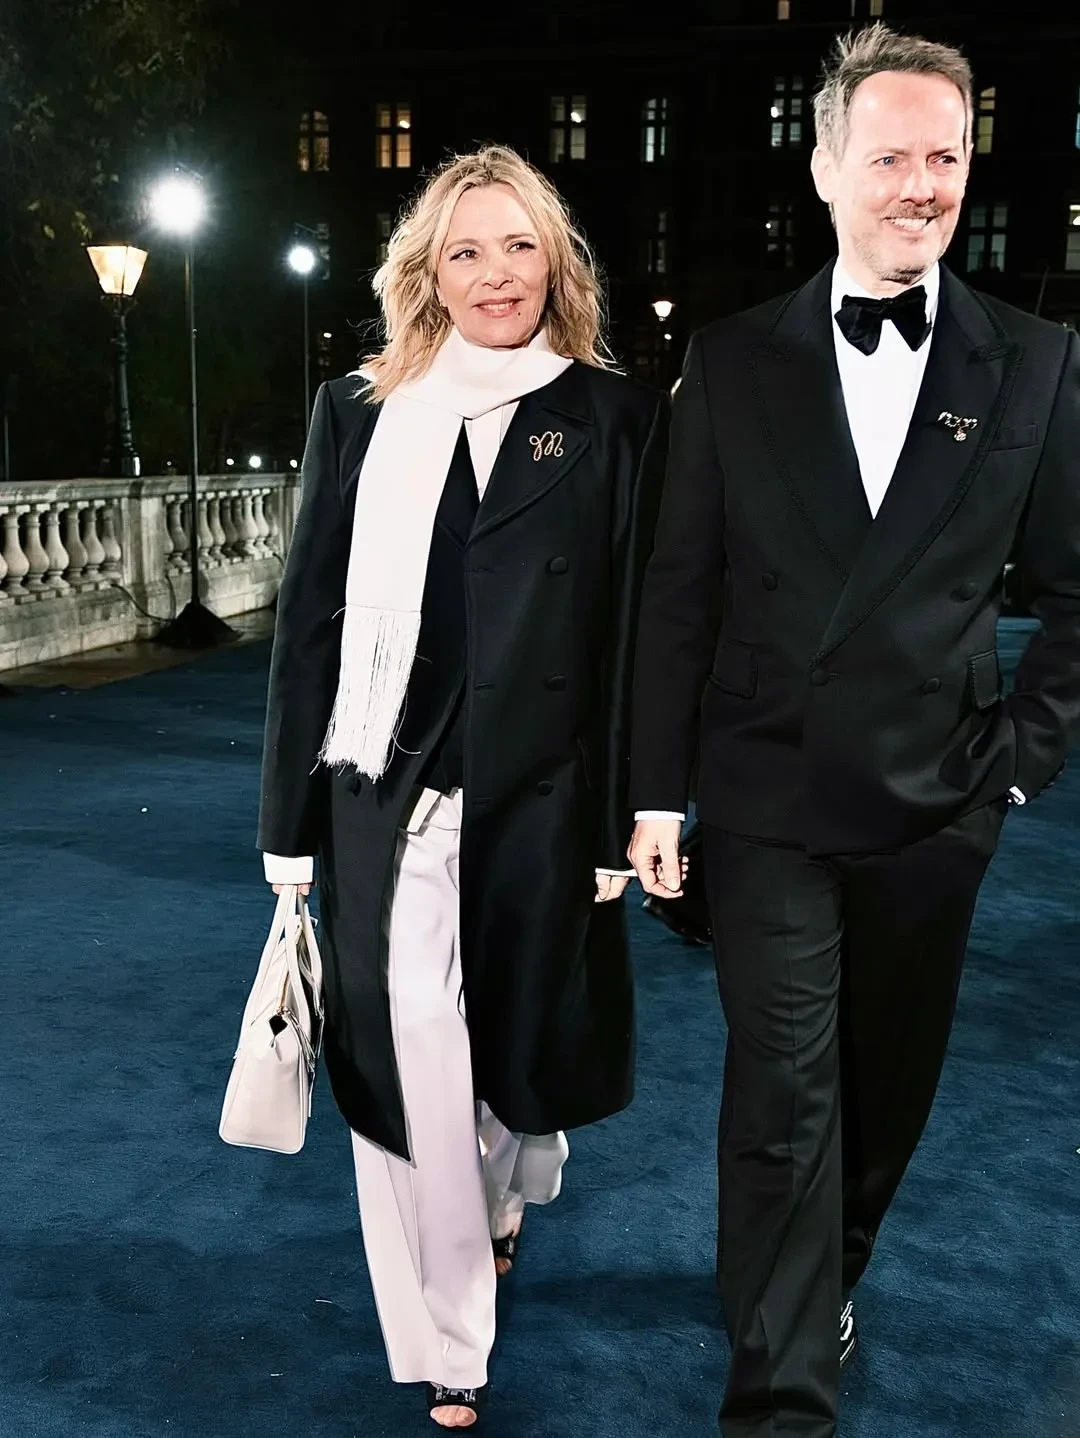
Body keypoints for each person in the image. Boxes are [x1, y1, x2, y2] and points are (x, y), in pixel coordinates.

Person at [628, 22, 1080, 1437]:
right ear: (825, 168)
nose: (921, 184)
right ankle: (780, 1397)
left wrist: (1020, 761)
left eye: (945, 156)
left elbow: (1075, 591)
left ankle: (820, 1274)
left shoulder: (1036, 359)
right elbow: (677, 593)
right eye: (888, 156)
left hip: (937, 797)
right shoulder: (731, 359)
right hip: (766, 796)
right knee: (784, 1093)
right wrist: (655, 794)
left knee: (884, 1095)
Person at [257, 144, 668, 1429]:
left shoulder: (614, 417)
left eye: (520, 246)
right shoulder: (358, 410)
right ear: (427, 273)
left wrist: (622, 817)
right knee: (410, 1054)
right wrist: (287, 826)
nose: (496, 274)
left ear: (558, 262)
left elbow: (633, 634)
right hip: (387, 791)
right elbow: (310, 625)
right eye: (466, 252)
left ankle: (504, 1184)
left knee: (509, 1057)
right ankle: (447, 1331)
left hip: (545, 794)